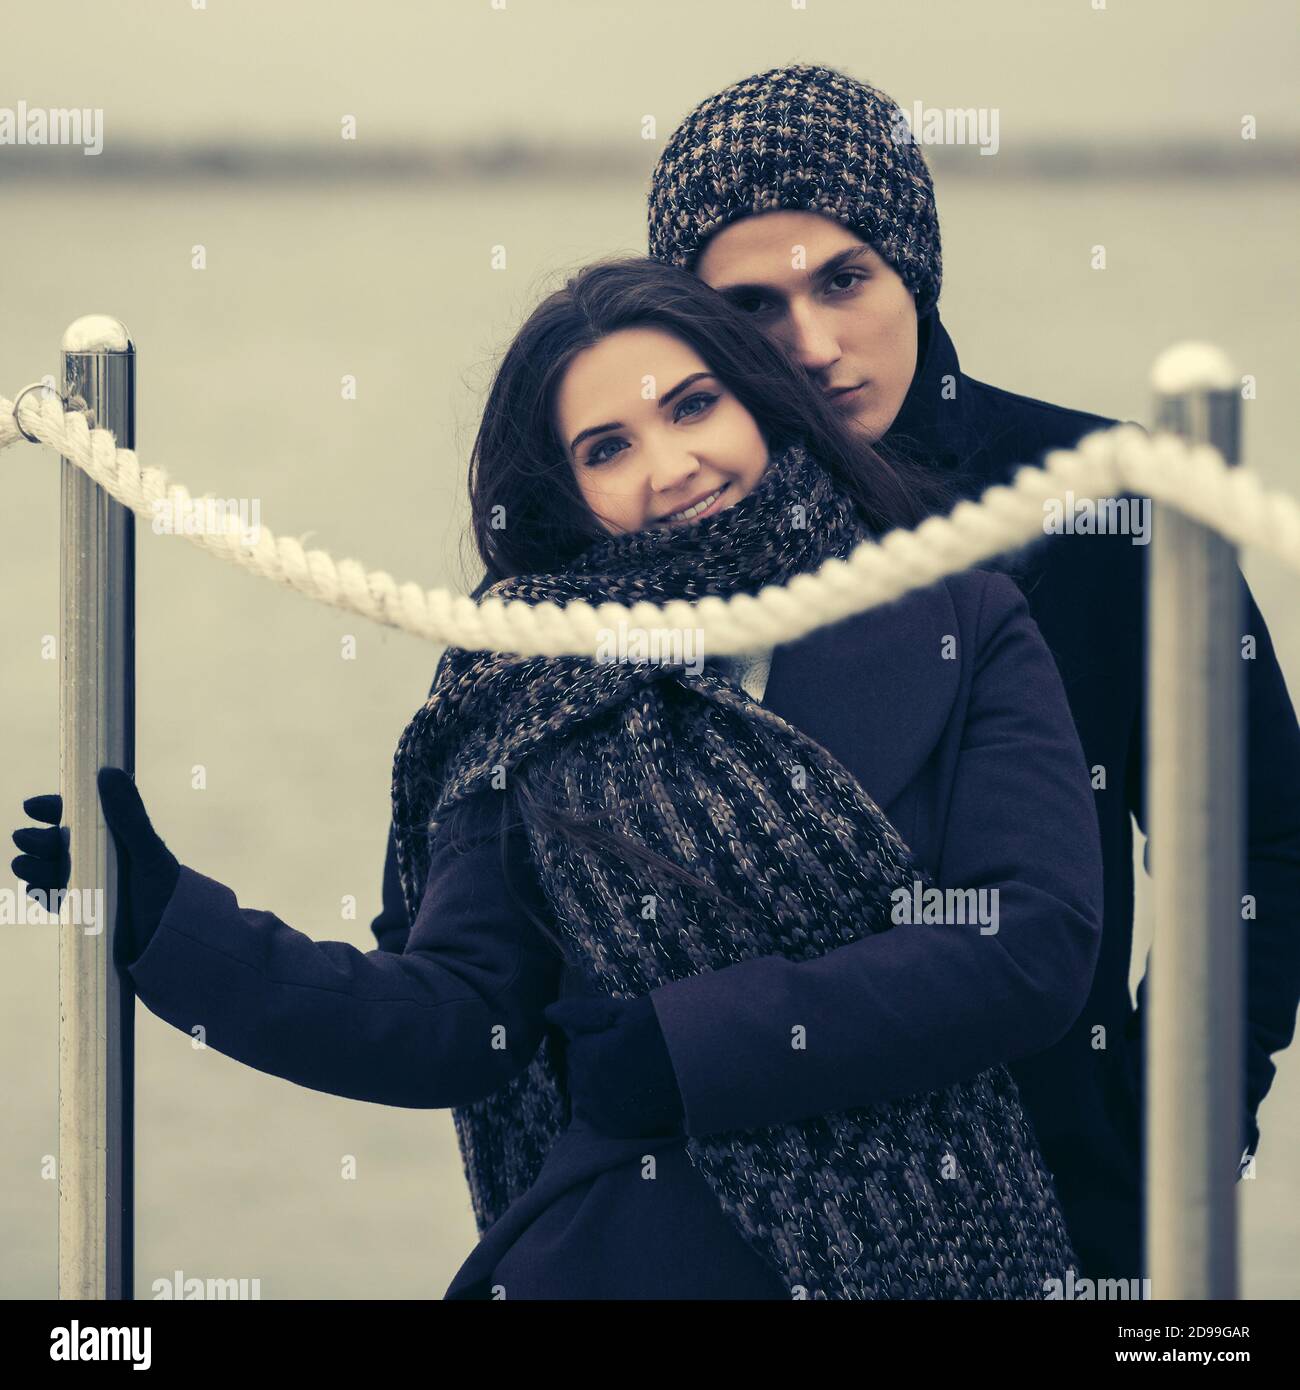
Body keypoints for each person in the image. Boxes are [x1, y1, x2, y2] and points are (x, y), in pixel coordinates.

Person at [14, 255, 1104, 1299]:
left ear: (759, 402)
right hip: (632, 1260)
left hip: (944, 1252)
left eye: (690, 407)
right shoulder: (524, 689)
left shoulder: (962, 620)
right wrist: (168, 920)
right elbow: (452, 1020)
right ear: (568, 496)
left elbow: (1030, 943)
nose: (668, 467)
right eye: (605, 448)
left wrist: (688, 1048)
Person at [371, 62, 1300, 1288]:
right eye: (751, 306)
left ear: (910, 264)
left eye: (844, 278)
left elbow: (1259, 844)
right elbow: (483, 949)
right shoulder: (638, 545)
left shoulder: (1100, 500)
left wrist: (1182, 1129)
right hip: (720, 1224)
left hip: (1067, 1199)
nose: (811, 342)